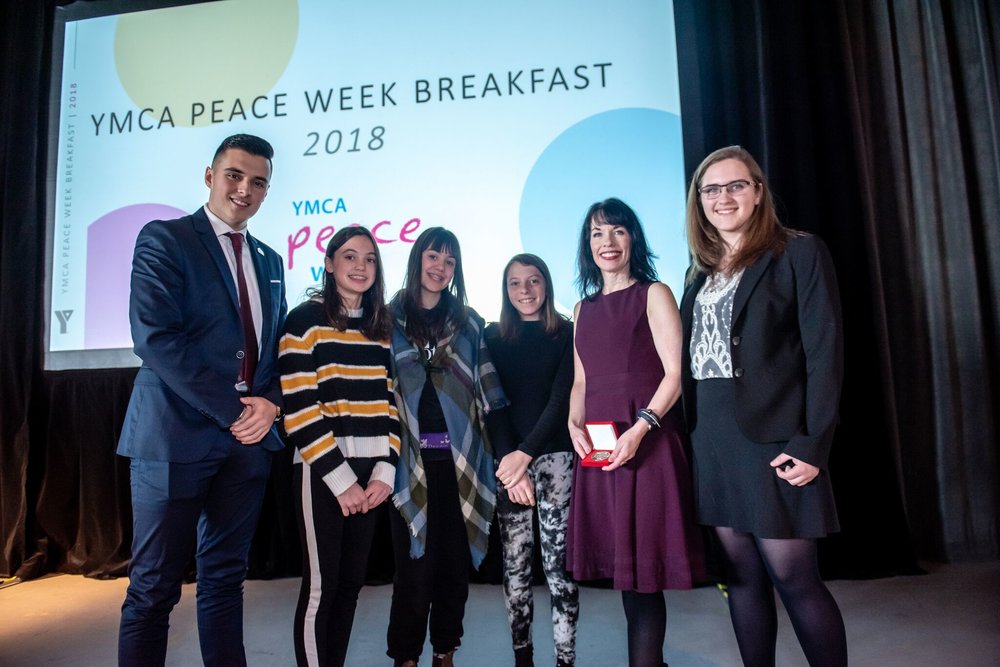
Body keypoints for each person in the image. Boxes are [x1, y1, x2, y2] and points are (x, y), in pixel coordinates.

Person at [117, 134, 286, 666]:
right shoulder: (165, 239)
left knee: (225, 582)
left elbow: (278, 349)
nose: (245, 189)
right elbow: (156, 339)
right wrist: (240, 410)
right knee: (153, 590)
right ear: (209, 176)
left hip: (248, 446)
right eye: (234, 175)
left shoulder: (270, 258)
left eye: (257, 182)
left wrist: (272, 404)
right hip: (173, 439)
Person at [679, 145, 847, 667]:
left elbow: (825, 352)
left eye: (735, 186)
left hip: (776, 439)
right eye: (711, 189)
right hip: (711, 439)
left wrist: (813, 443)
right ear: (698, 201)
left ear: (758, 191)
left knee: (795, 578)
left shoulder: (798, 252)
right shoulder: (697, 275)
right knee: (741, 580)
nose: (723, 197)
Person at [566, 198, 704, 667]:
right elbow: (581, 380)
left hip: (647, 444)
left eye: (617, 231)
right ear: (588, 246)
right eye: (597, 234)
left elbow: (674, 375)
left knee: (645, 576)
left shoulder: (655, 293)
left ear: (633, 239)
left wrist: (642, 427)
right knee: (627, 575)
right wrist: (573, 422)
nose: (608, 242)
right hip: (603, 448)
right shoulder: (582, 309)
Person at [386, 227, 511, 667]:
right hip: (407, 461)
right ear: (418, 259)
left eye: (450, 261)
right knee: (414, 571)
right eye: (433, 257)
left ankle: (445, 652)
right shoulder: (388, 318)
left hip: (462, 463)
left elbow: (488, 394)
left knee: (454, 569)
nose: (440, 268)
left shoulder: (468, 321)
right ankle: (405, 656)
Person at [279, 226, 400, 667]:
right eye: (349, 257)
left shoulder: (380, 327)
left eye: (369, 259)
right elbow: (299, 408)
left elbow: (391, 404)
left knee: (350, 587)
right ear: (329, 264)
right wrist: (342, 480)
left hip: (372, 477)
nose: (360, 267)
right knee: (321, 588)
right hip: (323, 472)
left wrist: (386, 472)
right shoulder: (303, 320)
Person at [485, 254, 579, 667]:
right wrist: (513, 464)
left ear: (547, 284)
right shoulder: (491, 337)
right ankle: (523, 656)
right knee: (516, 568)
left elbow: (562, 400)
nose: (525, 291)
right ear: (505, 291)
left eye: (534, 280)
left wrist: (526, 455)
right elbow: (494, 405)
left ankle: (565, 660)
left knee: (560, 571)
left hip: (556, 460)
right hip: (509, 468)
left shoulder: (568, 334)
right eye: (515, 283)